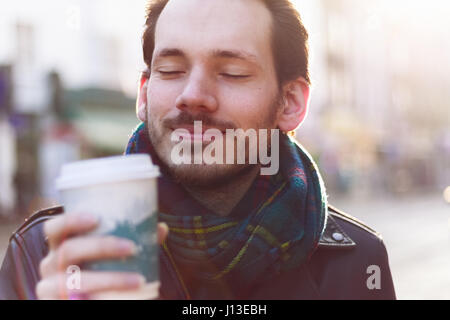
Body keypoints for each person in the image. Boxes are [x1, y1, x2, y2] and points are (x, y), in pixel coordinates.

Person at [0, 0, 395, 300]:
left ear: (290, 102)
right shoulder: (45, 255)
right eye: (171, 70)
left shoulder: (357, 262)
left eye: (232, 73)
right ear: (144, 93)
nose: (193, 96)